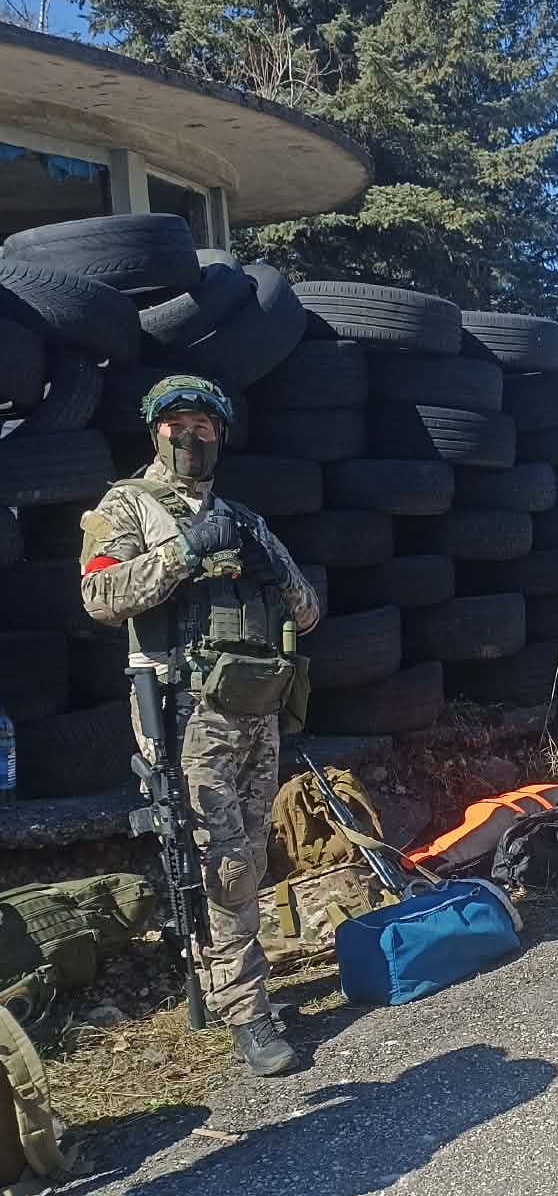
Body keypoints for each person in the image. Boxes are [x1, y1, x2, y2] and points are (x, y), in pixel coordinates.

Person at [80, 375, 320, 1075]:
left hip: (255, 710)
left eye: (204, 425)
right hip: (186, 713)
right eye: (176, 424)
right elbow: (99, 595)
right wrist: (184, 552)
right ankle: (247, 1013)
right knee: (223, 860)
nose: (190, 436)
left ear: (222, 434)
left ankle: (232, 979)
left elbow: (307, 613)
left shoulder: (244, 518)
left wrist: (272, 571)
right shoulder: (128, 505)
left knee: (251, 853)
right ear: (155, 432)